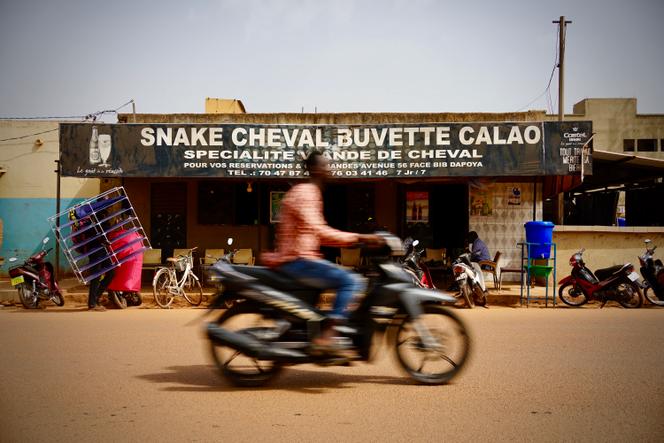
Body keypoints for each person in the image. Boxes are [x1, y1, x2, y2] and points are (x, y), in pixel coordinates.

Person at [262, 150, 384, 352]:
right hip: (298, 260)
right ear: (315, 169)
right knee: (351, 281)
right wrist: (360, 238)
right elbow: (319, 231)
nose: (330, 169)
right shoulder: (306, 193)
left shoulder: (309, 192)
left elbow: (316, 232)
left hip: (301, 259)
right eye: (326, 165)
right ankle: (328, 336)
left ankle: (318, 328)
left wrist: (353, 240)